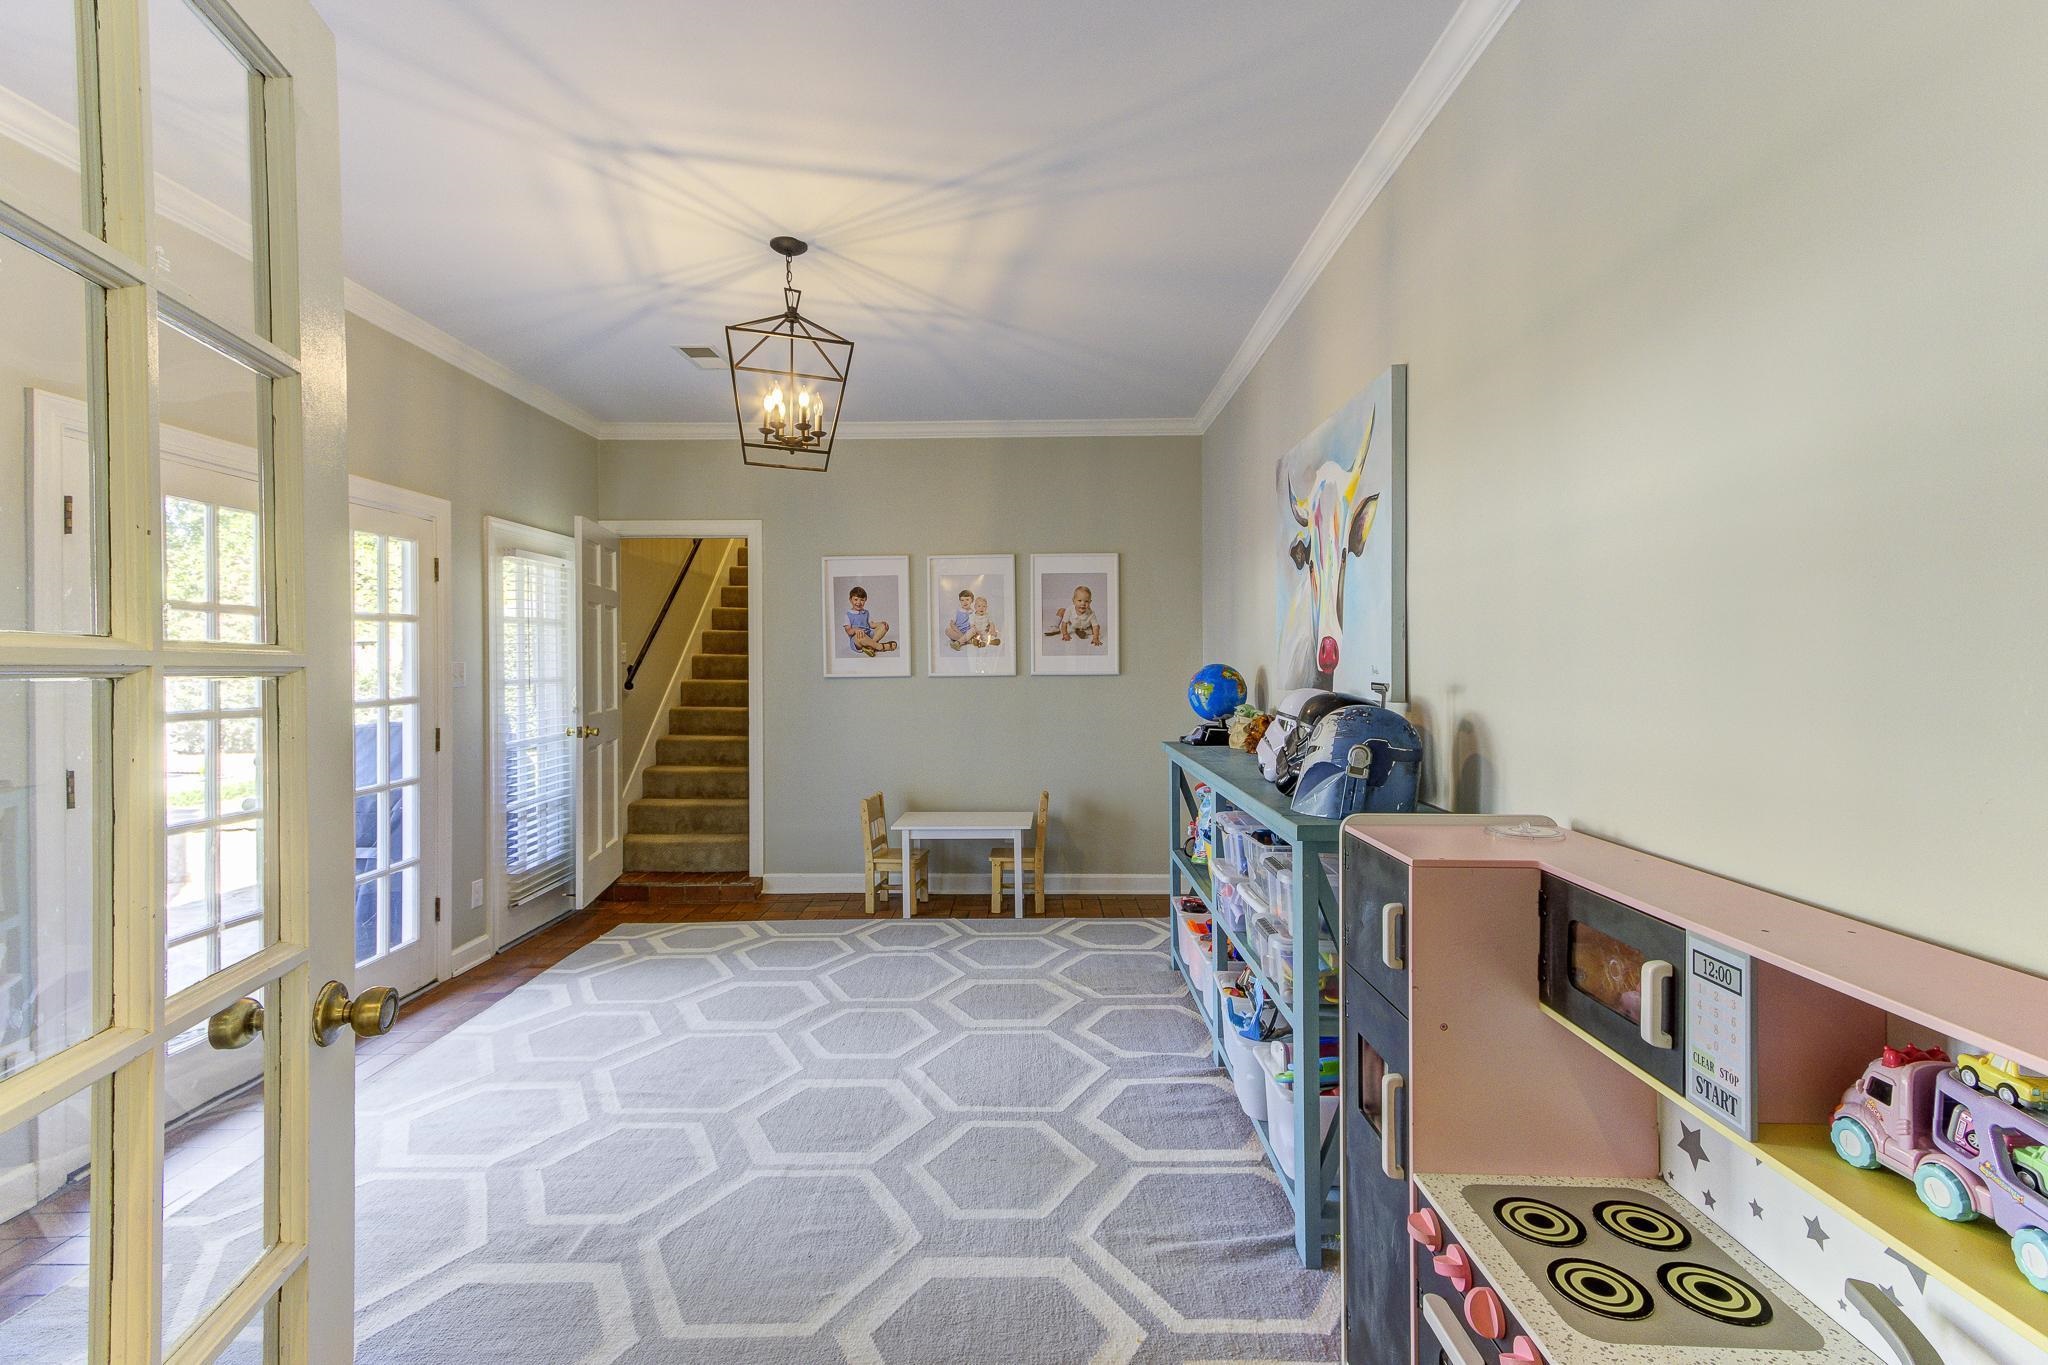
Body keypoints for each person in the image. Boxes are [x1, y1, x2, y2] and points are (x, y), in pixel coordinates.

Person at [843, 586, 895, 656]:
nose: (858, 602)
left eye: (862, 600)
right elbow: (848, 631)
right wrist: (855, 630)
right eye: (856, 599)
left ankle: (870, 646)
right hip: (858, 639)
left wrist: (880, 624)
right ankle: (880, 647)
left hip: (869, 636)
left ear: (865, 600)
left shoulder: (866, 612)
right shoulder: (848, 615)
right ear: (850, 600)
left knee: (883, 626)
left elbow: (870, 624)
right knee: (860, 636)